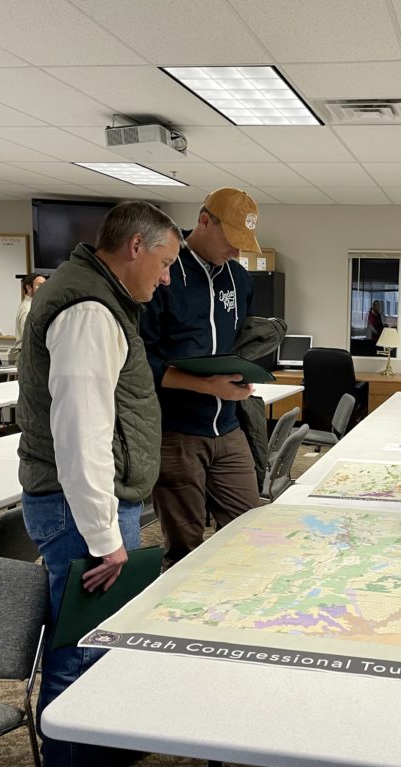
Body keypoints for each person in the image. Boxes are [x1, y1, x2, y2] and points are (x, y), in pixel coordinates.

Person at [17, 201, 181, 767]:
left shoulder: (101, 297)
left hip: (88, 507)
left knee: (95, 647)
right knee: (76, 655)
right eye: (163, 263)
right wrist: (104, 534)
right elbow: (81, 434)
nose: (165, 279)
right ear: (135, 247)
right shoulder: (89, 310)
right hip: (82, 511)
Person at [141, 188, 262, 570]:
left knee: (248, 531)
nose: (237, 251)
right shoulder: (163, 273)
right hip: (176, 431)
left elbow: (235, 342)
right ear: (204, 221)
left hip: (227, 427)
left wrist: (242, 374)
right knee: (185, 549)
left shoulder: (239, 279)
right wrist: (206, 385)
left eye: (244, 244)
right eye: (231, 240)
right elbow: (140, 359)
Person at [10, 271, 46, 366]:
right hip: (28, 357)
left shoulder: (35, 305)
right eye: (40, 285)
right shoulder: (27, 308)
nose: (44, 288)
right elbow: (29, 336)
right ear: (29, 288)